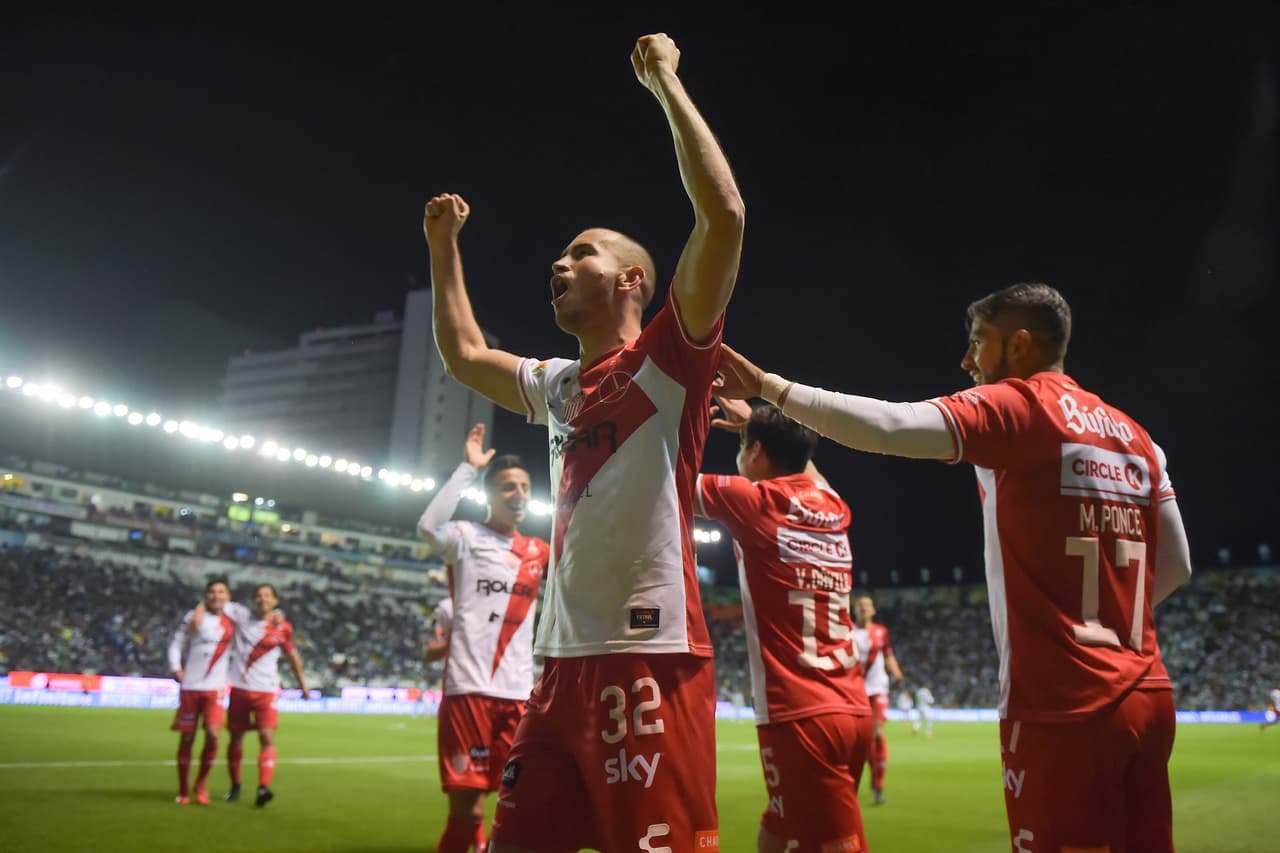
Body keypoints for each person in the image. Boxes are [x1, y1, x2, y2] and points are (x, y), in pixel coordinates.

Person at [714, 282, 1194, 852]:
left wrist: (769, 387)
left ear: (1019, 345)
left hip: (1066, 702)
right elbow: (1178, 565)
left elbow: (889, 426)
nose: (967, 360)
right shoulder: (1139, 438)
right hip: (1149, 691)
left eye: (978, 342)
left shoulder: (1019, 406)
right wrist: (1110, 621)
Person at [423, 31, 745, 853]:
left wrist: (666, 83)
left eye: (582, 253)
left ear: (631, 280)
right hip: (559, 663)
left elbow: (724, 215)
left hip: (649, 654)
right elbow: (464, 355)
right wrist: (442, 247)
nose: (558, 263)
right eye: (561, 256)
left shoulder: (669, 360)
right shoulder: (560, 384)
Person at [696, 397, 873, 852]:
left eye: (744, 446)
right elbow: (803, 465)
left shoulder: (753, 501)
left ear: (756, 451)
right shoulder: (833, 506)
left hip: (799, 714)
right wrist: (762, 426)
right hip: (852, 707)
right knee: (777, 833)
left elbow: (666, 481)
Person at [417, 424, 551, 853]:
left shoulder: (539, 551)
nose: (519, 494)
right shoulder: (466, 537)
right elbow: (428, 526)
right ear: (490, 494)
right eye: (508, 486)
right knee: (468, 811)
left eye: (525, 487)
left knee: (517, 809)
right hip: (470, 689)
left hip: (518, 695)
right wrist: (468, 470)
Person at [195, 584, 307, 808]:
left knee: (267, 737)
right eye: (258, 595)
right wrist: (199, 610)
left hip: (267, 690)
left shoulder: (283, 627)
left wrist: (303, 684)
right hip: (239, 688)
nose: (262, 599)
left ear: (275, 601)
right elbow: (214, 601)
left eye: (267, 596)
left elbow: (292, 656)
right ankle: (235, 785)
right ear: (253, 599)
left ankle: (263, 787)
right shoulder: (240, 614)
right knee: (236, 738)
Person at [166, 577, 234, 805]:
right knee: (187, 738)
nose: (217, 595)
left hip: (216, 688)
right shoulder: (193, 617)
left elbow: (259, 615)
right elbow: (176, 642)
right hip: (191, 686)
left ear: (228, 596)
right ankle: (183, 789)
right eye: (212, 591)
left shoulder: (234, 619)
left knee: (214, 736)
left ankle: (201, 784)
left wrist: (278, 613)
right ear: (206, 595)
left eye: (221, 591)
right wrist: (176, 668)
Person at [853, 594, 904, 805]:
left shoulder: (881, 631)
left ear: (873, 610)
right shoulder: (848, 632)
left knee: (877, 733)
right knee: (861, 740)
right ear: (855, 610)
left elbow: (888, 654)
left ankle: (879, 784)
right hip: (855, 690)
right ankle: (867, 773)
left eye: (867, 605)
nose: (864, 608)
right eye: (860, 605)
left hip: (878, 689)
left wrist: (897, 673)